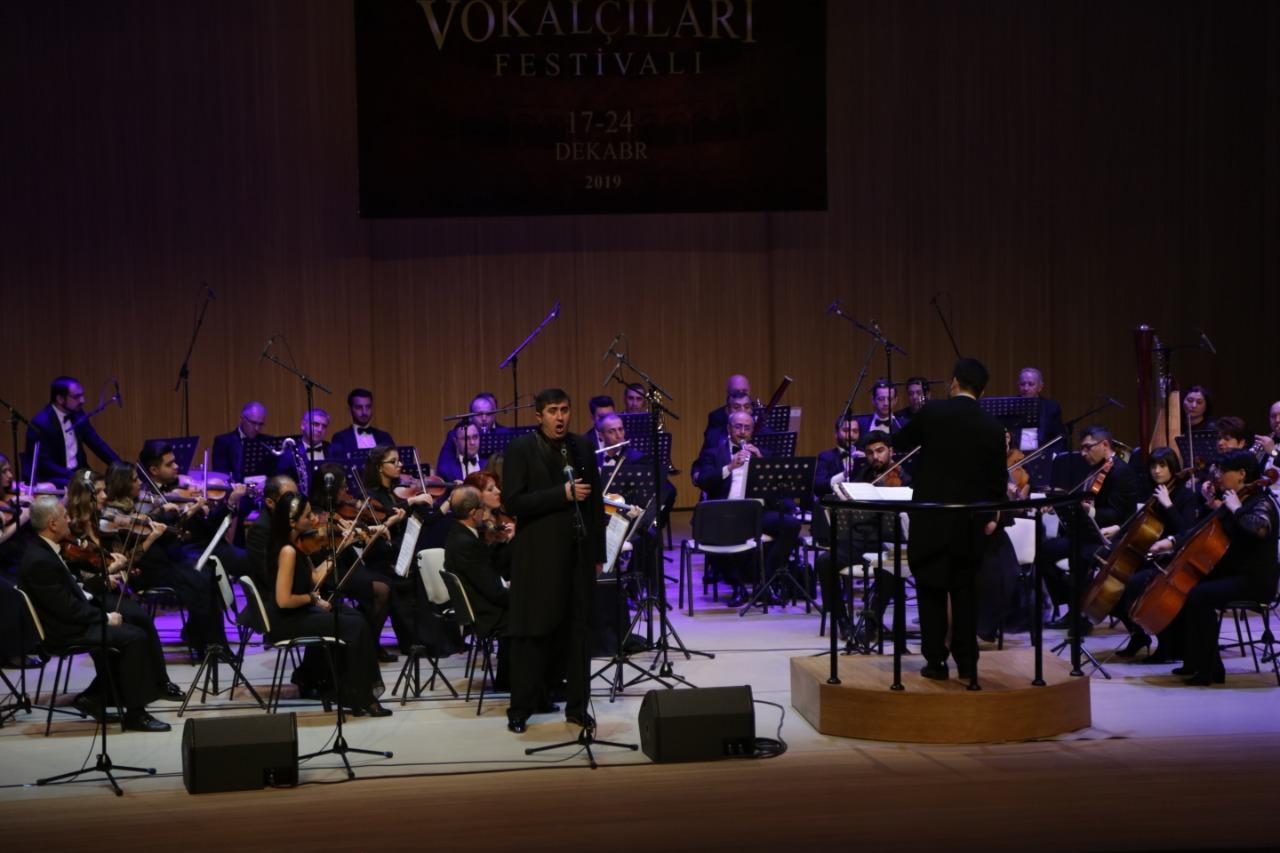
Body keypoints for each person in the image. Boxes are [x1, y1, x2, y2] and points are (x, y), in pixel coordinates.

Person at [891, 358, 1007, 680]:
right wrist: (989, 517)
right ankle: (967, 663)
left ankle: (935, 661)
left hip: (930, 519)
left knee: (930, 591)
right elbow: (997, 485)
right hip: (969, 523)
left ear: (954, 382)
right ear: (982, 391)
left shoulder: (933, 412)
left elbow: (899, 442)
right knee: (965, 593)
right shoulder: (993, 427)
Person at [502, 388, 605, 734]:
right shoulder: (521, 449)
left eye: (564, 410)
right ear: (539, 415)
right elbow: (513, 502)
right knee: (532, 633)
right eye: (552, 411)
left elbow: (595, 503)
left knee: (579, 634)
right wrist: (561, 494)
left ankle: (577, 708)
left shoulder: (583, 447)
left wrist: (598, 555)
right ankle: (521, 708)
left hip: (578, 554)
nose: (560, 417)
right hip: (537, 557)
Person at [19, 496, 171, 731]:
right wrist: (105, 618)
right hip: (63, 632)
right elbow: (67, 608)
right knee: (134, 638)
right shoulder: (40, 560)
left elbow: (72, 592)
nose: (69, 520)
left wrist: (102, 581)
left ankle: (96, 697)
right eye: (65, 516)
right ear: (52, 524)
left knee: (131, 627)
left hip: (68, 621)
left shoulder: (44, 550)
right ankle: (136, 714)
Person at [268, 492, 389, 716]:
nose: (313, 518)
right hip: (288, 621)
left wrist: (339, 549)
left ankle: (349, 692)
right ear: (292, 522)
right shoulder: (287, 551)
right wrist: (313, 599)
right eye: (307, 516)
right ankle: (361, 697)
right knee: (355, 626)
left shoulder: (297, 544)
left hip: (301, 612)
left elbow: (315, 577)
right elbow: (283, 600)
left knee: (355, 617)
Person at [1170, 451, 1278, 685]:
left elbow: (1259, 529)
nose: (1218, 475)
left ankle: (1211, 670)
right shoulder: (1233, 498)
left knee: (1199, 595)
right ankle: (1193, 661)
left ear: (1241, 474)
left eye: (1223, 471)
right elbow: (1201, 528)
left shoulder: (1261, 502)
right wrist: (1172, 542)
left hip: (1254, 580)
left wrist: (1237, 509)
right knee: (1187, 586)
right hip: (1234, 574)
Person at [692, 409, 802, 608]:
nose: (742, 432)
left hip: (758, 512)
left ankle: (765, 582)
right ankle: (737, 586)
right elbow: (703, 480)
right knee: (716, 532)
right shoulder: (712, 453)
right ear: (729, 428)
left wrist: (762, 463)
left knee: (791, 525)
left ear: (752, 431)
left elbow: (779, 485)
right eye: (738, 427)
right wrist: (729, 467)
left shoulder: (763, 453)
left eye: (747, 428)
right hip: (728, 512)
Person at [1037, 425, 1142, 626]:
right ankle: (1073, 604)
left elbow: (1118, 514)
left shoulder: (1121, 472)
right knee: (1044, 552)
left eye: (1088, 447)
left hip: (1111, 536)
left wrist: (1089, 511)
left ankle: (1080, 615)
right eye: (1082, 448)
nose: (1083, 453)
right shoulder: (1095, 468)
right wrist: (1058, 505)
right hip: (1088, 534)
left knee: (1081, 556)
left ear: (1105, 445)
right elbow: (1082, 498)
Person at [1113, 448, 1202, 660]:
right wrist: (1118, 529)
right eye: (1153, 466)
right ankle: (1137, 635)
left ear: (1173, 468)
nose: (1157, 471)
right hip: (1148, 556)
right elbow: (1138, 524)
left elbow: (1187, 531)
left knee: (1135, 583)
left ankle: (1166, 644)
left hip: (1173, 559)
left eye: (1162, 466)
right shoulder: (1150, 492)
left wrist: (1168, 504)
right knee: (1114, 586)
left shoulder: (1186, 496)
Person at [444, 485, 511, 690]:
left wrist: (497, 541)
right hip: (485, 614)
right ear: (473, 513)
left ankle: (511, 676)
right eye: (482, 507)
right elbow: (493, 591)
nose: (486, 512)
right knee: (536, 613)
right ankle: (520, 680)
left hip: (482, 605)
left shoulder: (460, 533)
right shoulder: (465, 543)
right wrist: (521, 595)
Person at [25, 376, 120, 487]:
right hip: (56, 477)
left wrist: (120, 466)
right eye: (77, 397)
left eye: (82, 395)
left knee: (104, 483)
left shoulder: (78, 414)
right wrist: (73, 476)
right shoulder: (41, 423)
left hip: (81, 472)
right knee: (91, 487)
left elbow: (97, 443)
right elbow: (44, 463)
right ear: (60, 399)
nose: (83, 400)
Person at [435, 393, 504, 474]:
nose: (484, 418)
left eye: (488, 414)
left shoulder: (502, 433)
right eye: (479, 414)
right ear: (471, 416)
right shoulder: (457, 433)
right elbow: (443, 466)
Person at [211, 401, 272, 481]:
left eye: (260, 424)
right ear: (242, 418)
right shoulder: (223, 442)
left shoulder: (267, 442)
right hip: (234, 487)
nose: (257, 428)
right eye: (253, 423)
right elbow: (220, 474)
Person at [330, 388, 395, 459]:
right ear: (350, 410)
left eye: (368, 407)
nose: (364, 412)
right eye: (359, 407)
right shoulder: (339, 438)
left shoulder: (385, 437)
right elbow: (337, 464)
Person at [1016, 367, 1066, 451]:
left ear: (1040, 387)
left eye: (1031, 384)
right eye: (1022, 384)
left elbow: (1060, 438)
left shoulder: (1051, 408)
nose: (1026, 388)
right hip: (1016, 455)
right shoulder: (1009, 406)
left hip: (1043, 454)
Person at [700, 374, 752, 452]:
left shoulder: (761, 415)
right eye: (736, 407)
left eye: (744, 391)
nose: (742, 410)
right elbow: (710, 448)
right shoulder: (717, 417)